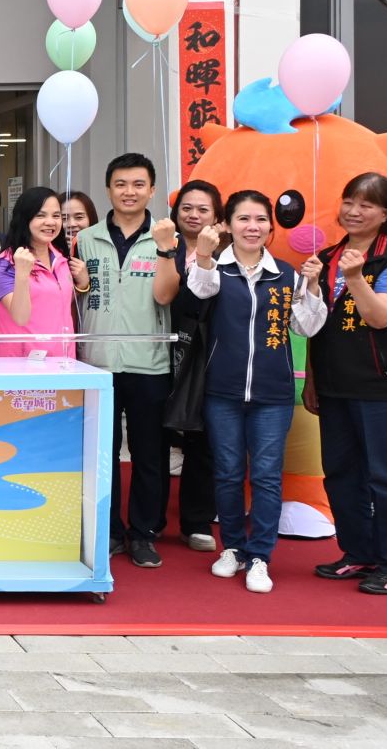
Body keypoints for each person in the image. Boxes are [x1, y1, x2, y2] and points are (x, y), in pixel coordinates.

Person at [186, 190, 327, 594]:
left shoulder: (286, 274)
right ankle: (233, 547)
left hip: (273, 394)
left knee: (266, 476)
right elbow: (199, 291)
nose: (253, 227)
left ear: (271, 226)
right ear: (227, 225)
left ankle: (261, 555)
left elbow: (307, 327)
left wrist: (313, 285)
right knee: (228, 473)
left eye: (261, 219)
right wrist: (205, 254)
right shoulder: (216, 268)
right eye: (243, 219)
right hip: (222, 391)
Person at [307, 172, 387, 595]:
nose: (354, 211)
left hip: (384, 388)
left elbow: (379, 317)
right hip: (335, 385)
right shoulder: (327, 257)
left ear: (386, 213)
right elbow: (316, 325)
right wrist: (312, 380)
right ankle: (358, 553)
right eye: (349, 201)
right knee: (341, 474)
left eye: (367, 204)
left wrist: (356, 277)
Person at [72, 154, 171, 569]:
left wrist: (167, 250)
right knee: (102, 453)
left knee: (149, 454)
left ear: (152, 190)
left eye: (138, 184)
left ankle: (144, 533)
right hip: (98, 362)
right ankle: (110, 530)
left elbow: (167, 296)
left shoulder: (166, 237)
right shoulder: (84, 239)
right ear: (108, 189)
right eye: (121, 184)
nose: (129, 192)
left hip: (149, 361)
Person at [151, 179, 224, 553]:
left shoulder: (228, 253)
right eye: (187, 208)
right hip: (163, 351)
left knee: (202, 440)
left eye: (203, 209)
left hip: (208, 354)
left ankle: (196, 521)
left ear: (217, 216)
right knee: (156, 439)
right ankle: (151, 521)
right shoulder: (164, 246)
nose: (194, 215)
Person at [0, 187, 80, 360]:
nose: (50, 222)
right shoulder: (4, 265)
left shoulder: (60, 258)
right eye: (40, 215)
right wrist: (22, 274)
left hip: (63, 361)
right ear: (25, 218)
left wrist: (82, 284)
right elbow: (20, 317)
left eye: (56, 216)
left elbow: (56, 303)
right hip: (23, 364)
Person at [58, 190, 99, 258]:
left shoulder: (102, 247)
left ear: (91, 218)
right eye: (64, 218)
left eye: (79, 217)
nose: (71, 224)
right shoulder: (48, 252)